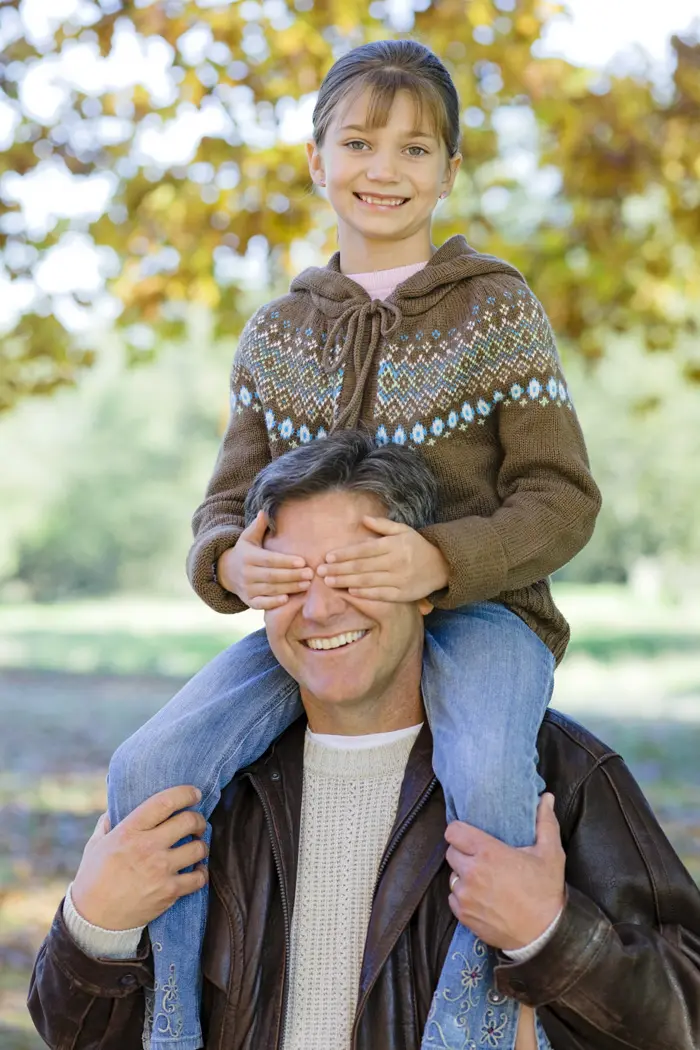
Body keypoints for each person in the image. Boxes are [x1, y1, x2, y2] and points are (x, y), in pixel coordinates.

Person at [105, 39, 602, 1050]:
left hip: (480, 617)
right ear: (317, 160)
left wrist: (442, 559)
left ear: (449, 172)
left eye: (416, 149)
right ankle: (168, 1024)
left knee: (491, 777)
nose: (385, 169)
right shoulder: (278, 331)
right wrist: (232, 564)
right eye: (360, 142)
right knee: (147, 762)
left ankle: (470, 1027)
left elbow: (560, 498)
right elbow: (224, 506)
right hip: (313, 624)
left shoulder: (493, 309)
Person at [28, 433, 700, 1050]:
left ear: (428, 583)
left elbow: (686, 1019)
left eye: (357, 570)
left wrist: (551, 937)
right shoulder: (206, 788)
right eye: (290, 578)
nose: (321, 609)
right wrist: (94, 928)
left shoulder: (557, 773)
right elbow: (74, 1035)